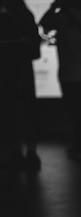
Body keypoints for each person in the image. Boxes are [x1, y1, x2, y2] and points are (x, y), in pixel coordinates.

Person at [39, 0, 81, 163]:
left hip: (71, 73)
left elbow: (43, 24)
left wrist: (55, 6)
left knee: (77, 113)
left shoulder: (63, 17)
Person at [0, 0, 41, 172]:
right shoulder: (25, 16)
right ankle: (30, 152)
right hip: (22, 71)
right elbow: (34, 48)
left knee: (11, 110)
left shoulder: (7, 18)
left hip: (8, 73)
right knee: (26, 110)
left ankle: (16, 151)